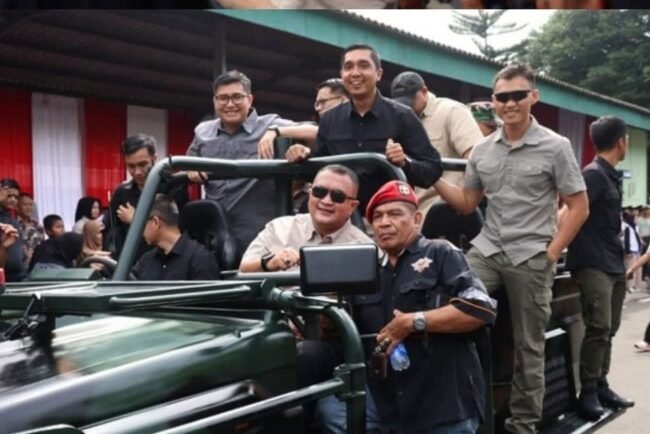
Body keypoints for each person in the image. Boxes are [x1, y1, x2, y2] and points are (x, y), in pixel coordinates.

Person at [433, 64, 589, 434]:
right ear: (494, 102)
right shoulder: (482, 150)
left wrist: (551, 254)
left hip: (531, 255)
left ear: (534, 96)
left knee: (529, 346)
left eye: (518, 95)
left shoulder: (556, 146)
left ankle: (522, 425)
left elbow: (579, 206)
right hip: (487, 251)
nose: (510, 103)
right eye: (502, 97)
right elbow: (468, 203)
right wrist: (432, 176)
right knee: (443, 310)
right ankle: (455, 411)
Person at [316, 180, 496, 433]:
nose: (384, 222)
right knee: (331, 409)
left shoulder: (440, 253)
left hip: (443, 402)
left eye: (394, 214)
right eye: (377, 217)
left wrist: (414, 322)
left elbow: (480, 309)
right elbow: (347, 334)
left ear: (416, 219)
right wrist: (329, 321)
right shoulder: (366, 271)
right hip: (387, 401)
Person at [285, 44, 443, 212]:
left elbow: (432, 170)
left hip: (384, 217)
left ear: (378, 74)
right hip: (338, 216)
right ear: (342, 74)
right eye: (348, 67)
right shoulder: (329, 120)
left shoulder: (403, 116)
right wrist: (301, 156)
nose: (355, 73)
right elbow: (317, 171)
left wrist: (405, 162)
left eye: (363, 65)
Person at [186, 70, 317, 258]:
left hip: (261, 235)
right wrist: (190, 168)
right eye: (223, 98)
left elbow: (316, 131)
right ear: (214, 101)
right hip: (216, 236)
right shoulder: (202, 132)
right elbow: (183, 165)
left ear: (250, 99)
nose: (230, 104)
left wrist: (276, 131)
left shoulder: (269, 123)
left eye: (237, 97)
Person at [565, 116, 634, 420]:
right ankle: (589, 392)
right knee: (599, 326)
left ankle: (602, 384)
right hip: (592, 262)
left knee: (611, 327)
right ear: (621, 142)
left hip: (612, 261)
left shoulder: (608, 175)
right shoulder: (592, 175)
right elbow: (569, 211)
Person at [239, 164, 371, 273]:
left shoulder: (365, 249)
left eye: (337, 196)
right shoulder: (279, 228)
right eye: (319, 192)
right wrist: (269, 263)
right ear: (310, 192)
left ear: (352, 206)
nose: (326, 201)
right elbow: (242, 270)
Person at [390, 71, 483, 216]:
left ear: (424, 91)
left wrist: (465, 201)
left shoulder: (450, 111)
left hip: (444, 209)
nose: (408, 107)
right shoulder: (398, 118)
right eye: (402, 103)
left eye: (411, 101)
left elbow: (477, 158)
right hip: (409, 211)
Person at [110, 134, 188, 261]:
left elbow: (176, 234)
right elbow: (111, 234)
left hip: (165, 263)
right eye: (131, 166)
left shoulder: (174, 188)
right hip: (129, 265)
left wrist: (135, 220)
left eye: (142, 164)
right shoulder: (121, 193)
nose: (137, 172)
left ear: (154, 159)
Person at [131, 195, 219, 281]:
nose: (140, 230)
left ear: (155, 222)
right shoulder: (146, 260)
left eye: (142, 224)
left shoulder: (200, 259)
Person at [0, 178, 26, 282]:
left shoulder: (13, 221)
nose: (13, 200)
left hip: (19, 279)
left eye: (16, 197)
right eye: (9, 195)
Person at [16, 193, 45, 268]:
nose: (28, 208)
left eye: (30, 205)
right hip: (17, 267)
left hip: (36, 267)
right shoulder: (12, 224)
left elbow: (42, 247)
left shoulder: (38, 227)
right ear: (17, 207)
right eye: (25, 205)